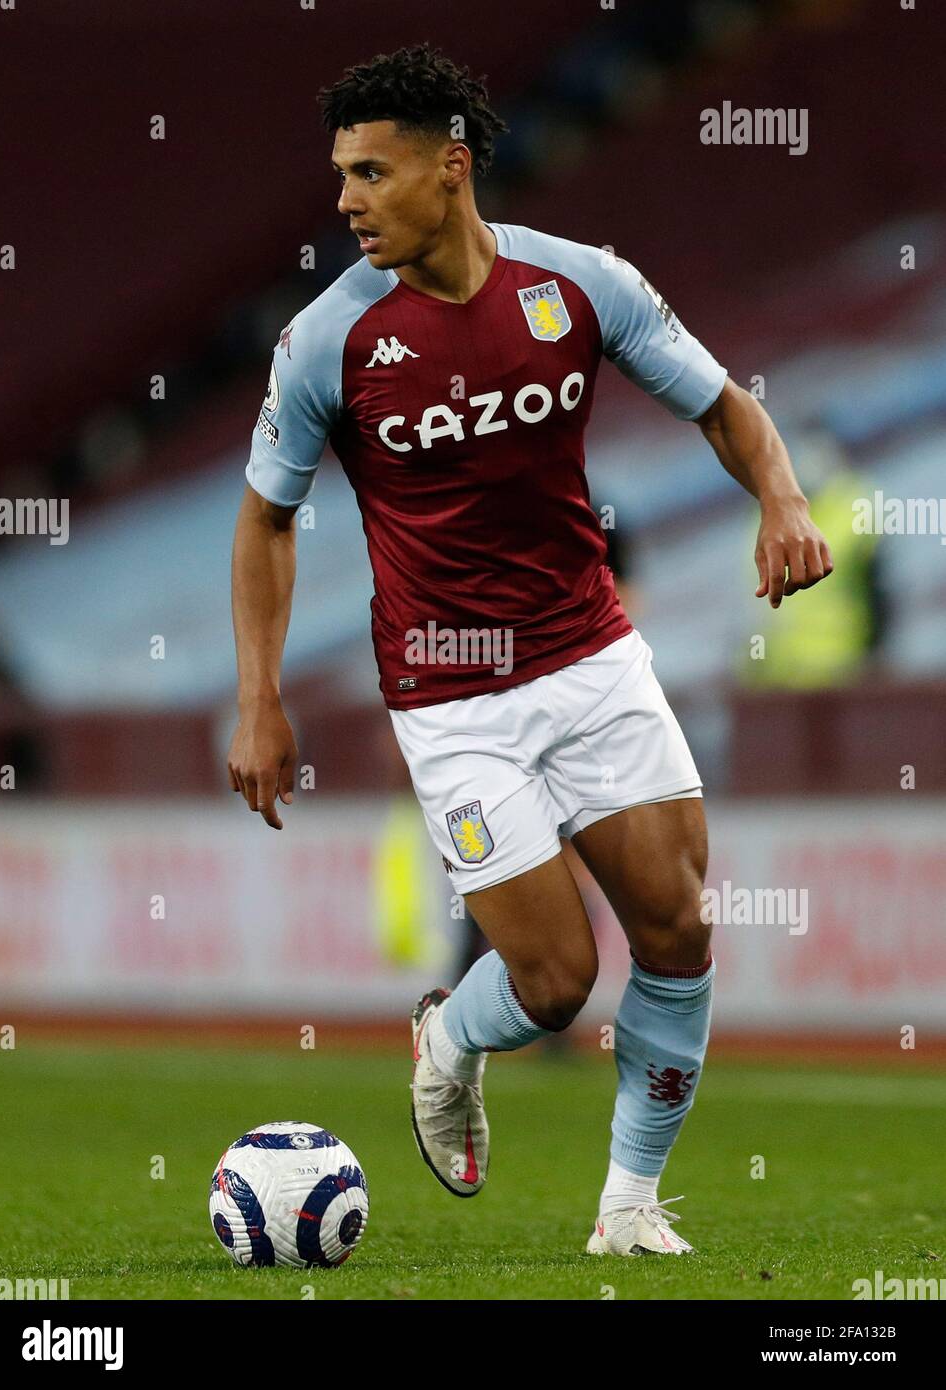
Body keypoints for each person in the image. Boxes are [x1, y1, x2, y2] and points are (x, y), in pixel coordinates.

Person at [227, 44, 833, 1257]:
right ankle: (450, 1037)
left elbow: (722, 403)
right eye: (340, 175)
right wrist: (259, 697)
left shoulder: (577, 287)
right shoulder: (323, 344)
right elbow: (266, 519)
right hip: (449, 691)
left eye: (371, 173)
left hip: (592, 656)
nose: (346, 200)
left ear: (450, 168)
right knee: (552, 982)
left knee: (674, 929)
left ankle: (627, 1205)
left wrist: (782, 498)